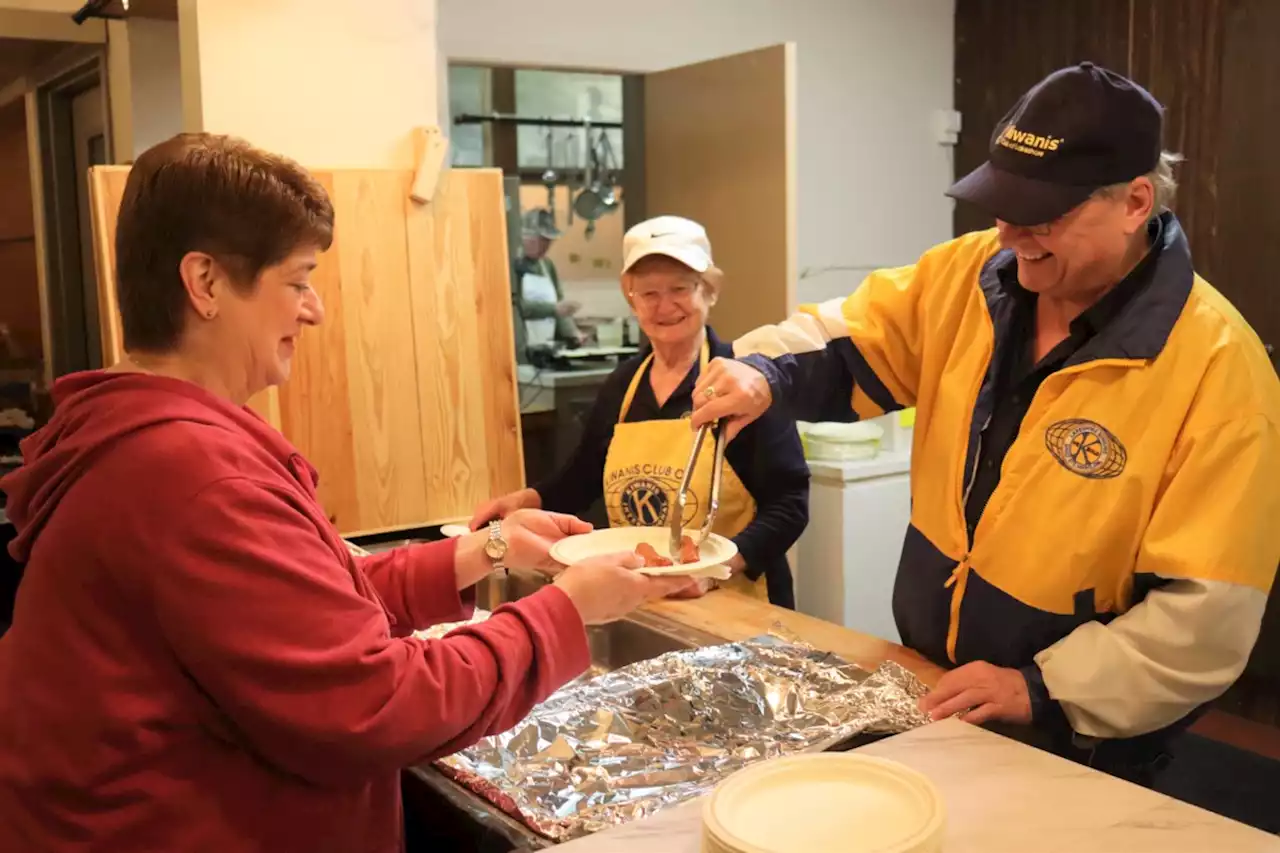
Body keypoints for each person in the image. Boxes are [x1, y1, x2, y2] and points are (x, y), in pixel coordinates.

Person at [0, 133, 689, 851]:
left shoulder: (152, 434)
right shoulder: (193, 476)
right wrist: (567, 613)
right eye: (298, 280)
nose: (316, 309)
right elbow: (376, 704)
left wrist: (486, 549)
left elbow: (311, 595)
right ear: (204, 283)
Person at [690, 62, 1280, 784]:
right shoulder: (972, 275)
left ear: (1134, 202)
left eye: (1042, 216)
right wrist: (763, 371)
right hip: (938, 683)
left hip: (1082, 732)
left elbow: (1205, 619)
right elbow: (852, 337)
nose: (1010, 233)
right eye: (1000, 206)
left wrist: (1039, 687)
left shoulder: (1222, 371)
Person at [472, 216, 809, 608]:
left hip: (738, 601)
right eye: (648, 293)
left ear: (710, 291)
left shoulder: (745, 380)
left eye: (680, 289)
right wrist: (526, 499)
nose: (664, 306)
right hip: (641, 596)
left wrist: (715, 569)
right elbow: (583, 478)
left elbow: (790, 504)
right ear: (630, 297)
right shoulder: (623, 386)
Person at [513, 207, 582, 362]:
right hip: (521, 351)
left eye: (549, 242)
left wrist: (573, 333)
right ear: (525, 237)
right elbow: (517, 307)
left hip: (546, 349)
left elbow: (559, 303)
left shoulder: (547, 265)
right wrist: (553, 309)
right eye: (542, 241)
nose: (546, 247)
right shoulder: (514, 265)